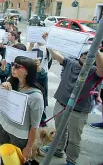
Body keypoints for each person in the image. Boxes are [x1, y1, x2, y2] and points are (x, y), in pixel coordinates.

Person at [41, 33, 103, 165]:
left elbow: (102, 68)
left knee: (74, 138)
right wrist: (48, 40)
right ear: (79, 56)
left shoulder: (93, 71)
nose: (85, 59)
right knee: (59, 132)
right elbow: (56, 55)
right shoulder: (70, 63)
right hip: (61, 105)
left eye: (89, 57)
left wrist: (96, 49)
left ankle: (71, 160)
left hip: (78, 110)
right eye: (83, 56)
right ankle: (58, 149)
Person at [0, 57, 44, 164]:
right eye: (13, 64)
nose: (13, 67)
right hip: (3, 126)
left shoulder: (36, 97)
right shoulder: (12, 82)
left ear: (27, 72)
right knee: (4, 158)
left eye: (17, 66)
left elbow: (35, 125)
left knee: (15, 162)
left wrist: (28, 147)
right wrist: (4, 89)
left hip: (19, 135)